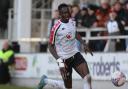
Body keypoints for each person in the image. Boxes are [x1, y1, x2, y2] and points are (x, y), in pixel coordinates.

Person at [36, 3, 93, 89]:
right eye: (64, 13)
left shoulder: (72, 21)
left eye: (68, 12)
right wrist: (60, 62)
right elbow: (50, 46)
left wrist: (83, 43)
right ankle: (46, 81)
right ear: (60, 14)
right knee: (68, 87)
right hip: (64, 59)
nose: (67, 14)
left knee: (87, 78)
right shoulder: (56, 28)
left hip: (75, 54)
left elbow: (75, 33)